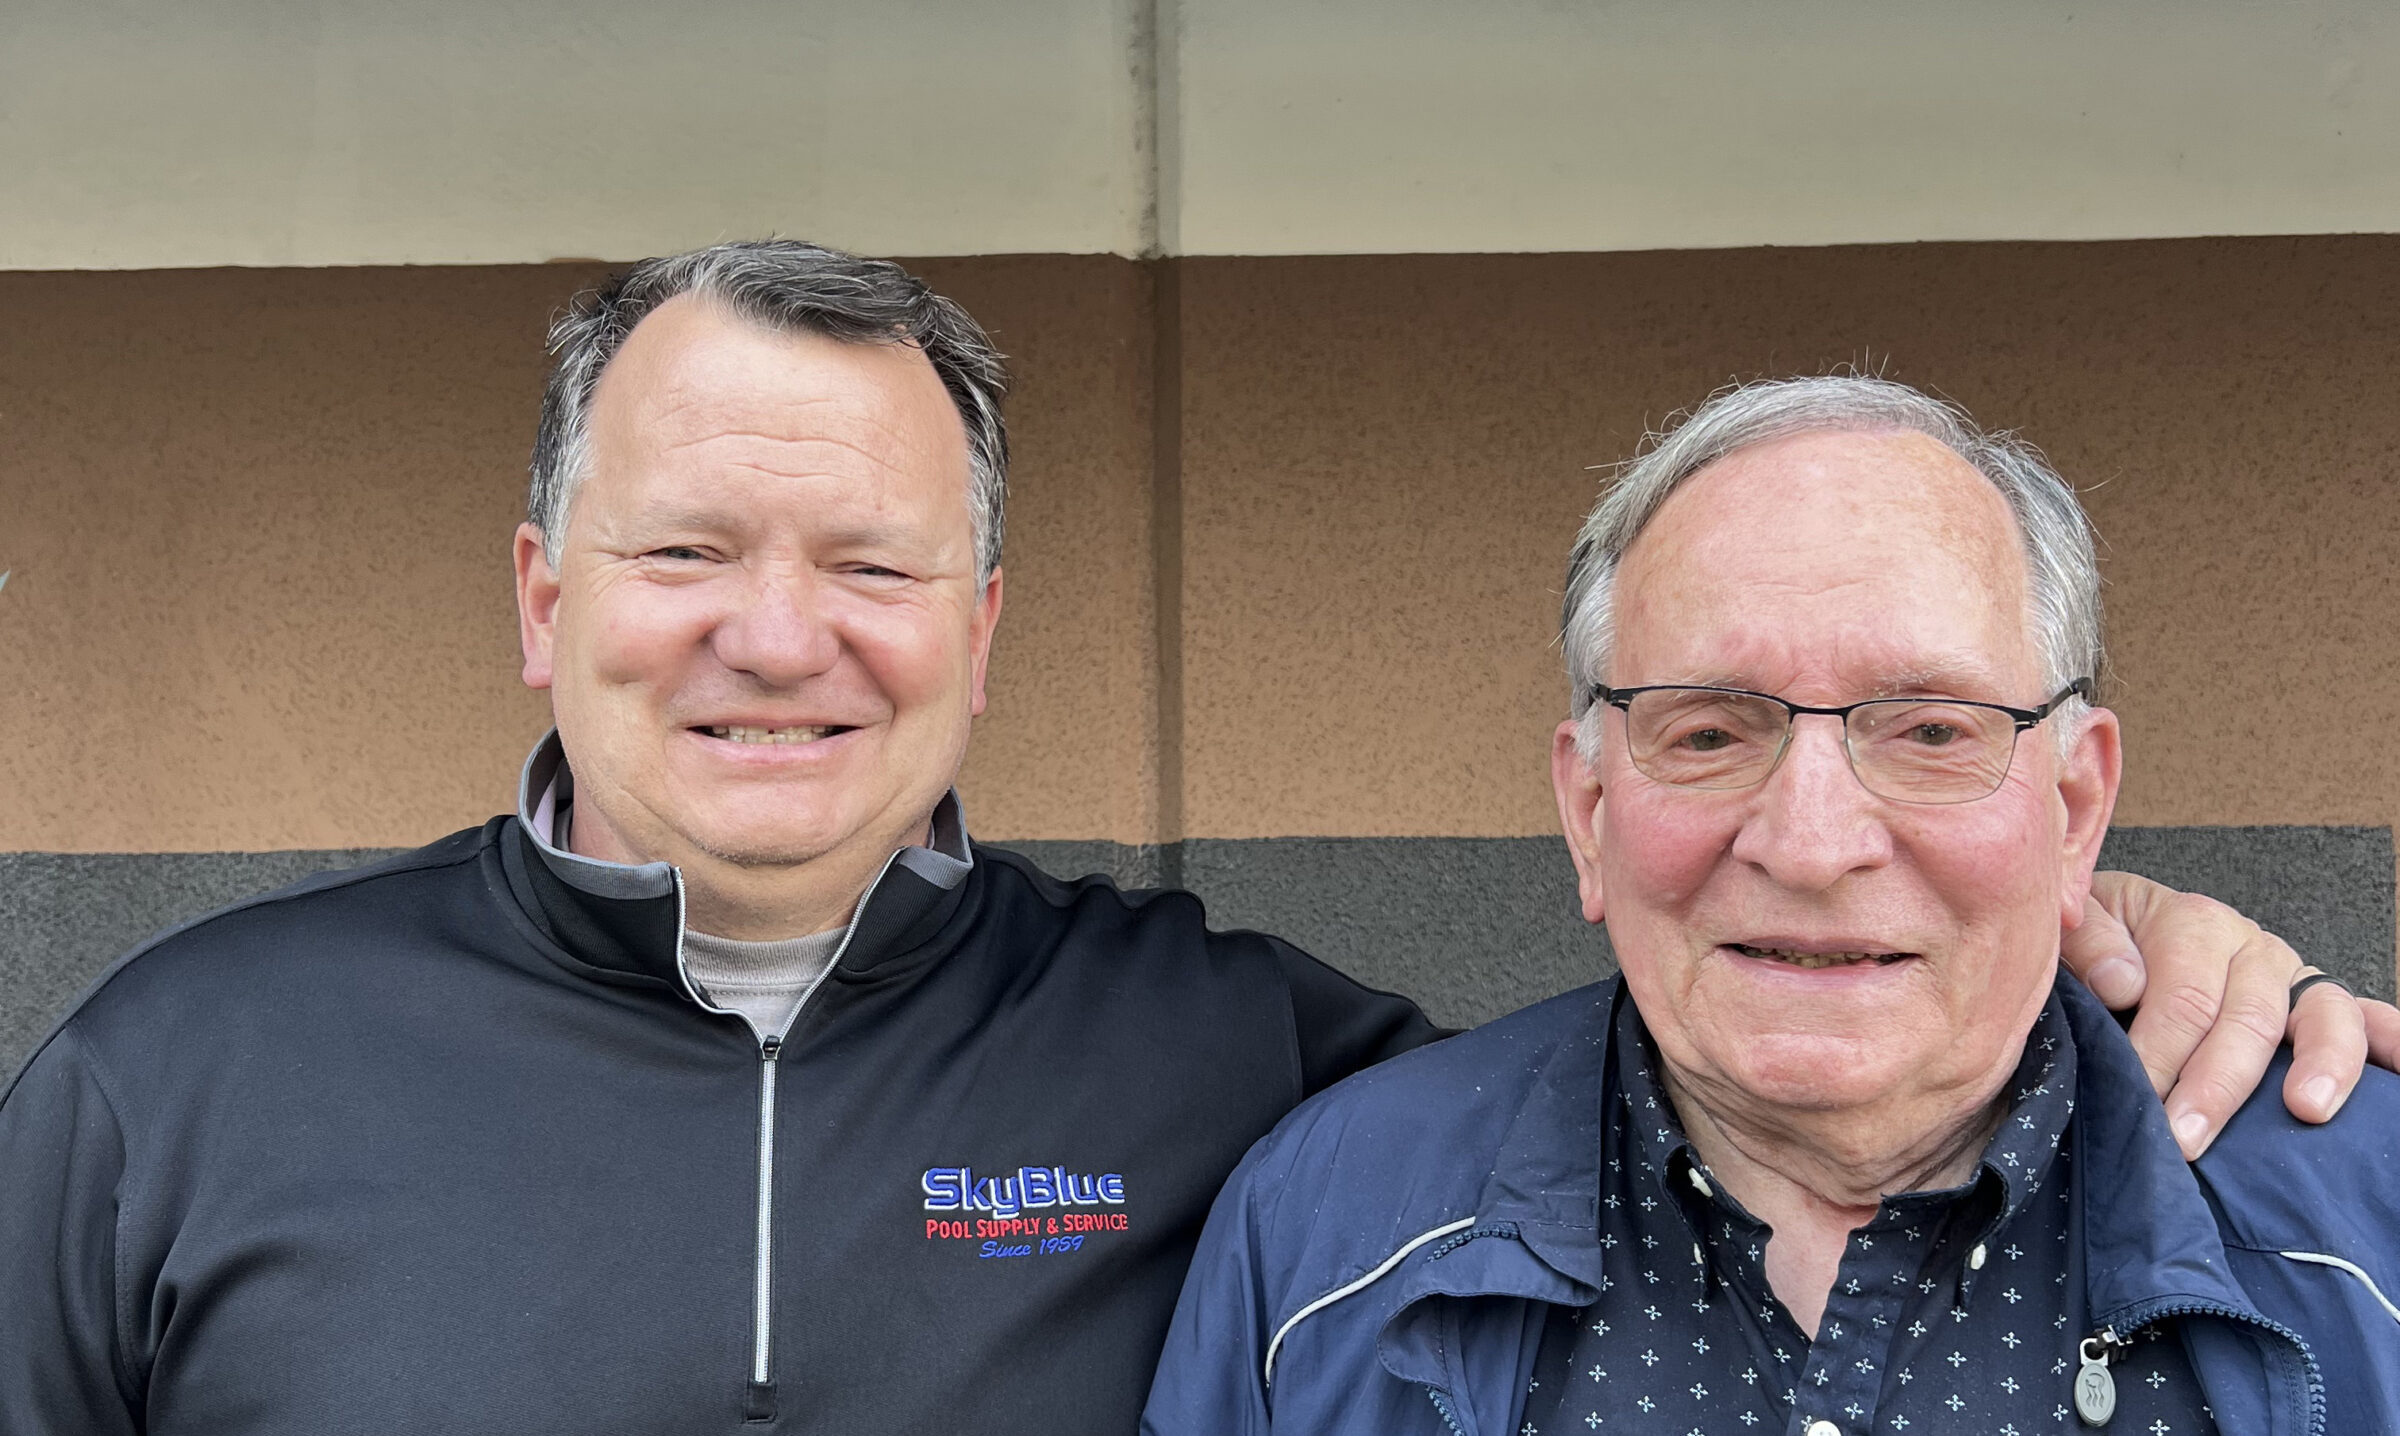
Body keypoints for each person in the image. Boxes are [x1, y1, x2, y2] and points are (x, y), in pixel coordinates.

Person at [0, 246, 2384, 1436]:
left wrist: (2109, 927)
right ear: (542, 598)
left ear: (978, 622)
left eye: (867, 563)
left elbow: (1747, 1026)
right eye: (679, 549)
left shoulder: (1232, 1065)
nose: (775, 637)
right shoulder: (166, 1083)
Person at [1142, 375, 2400, 1436]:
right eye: (1707, 731)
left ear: (2074, 806)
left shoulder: (2373, 1211)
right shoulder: (1322, 1225)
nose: (1810, 842)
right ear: (1589, 812)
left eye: (1929, 730)